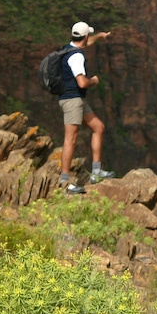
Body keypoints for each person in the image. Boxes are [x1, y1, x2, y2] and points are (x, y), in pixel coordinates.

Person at [58, 21, 115, 194]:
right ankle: (64, 182)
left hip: (76, 100)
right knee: (71, 139)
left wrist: (100, 36)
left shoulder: (68, 48)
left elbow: (87, 42)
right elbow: (82, 82)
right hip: (72, 100)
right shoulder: (77, 57)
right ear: (85, 36)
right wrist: (94, 81)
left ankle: (96, 172)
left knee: (98, 127)